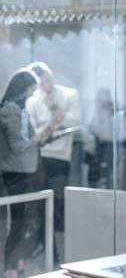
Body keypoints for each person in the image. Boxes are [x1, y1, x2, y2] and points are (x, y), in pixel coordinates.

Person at [0, 69, 52, 278]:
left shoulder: (18, 109)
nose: (32, 95)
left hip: (25, 169)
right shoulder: (11, 110)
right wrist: (36, 140)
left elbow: (24, 139)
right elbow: (18, 145)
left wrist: (40, 137)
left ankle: (16, 265)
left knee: (25, 221)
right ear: (22, 88)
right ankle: (10, 268)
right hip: (16, 171)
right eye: (31, 90)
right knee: (19, 221)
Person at [25, 62, 82, 255]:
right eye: (41, 82)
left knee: (58, 204)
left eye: (48, 79)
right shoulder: (32, 100)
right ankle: (48, 249)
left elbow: (75, 122)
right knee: (40, 205)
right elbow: (32, 132)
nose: (46, 85)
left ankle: (59, 251)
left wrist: (53, 106)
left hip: (61, 158)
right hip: (39, 157)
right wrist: (52, 126)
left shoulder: (69, 95)